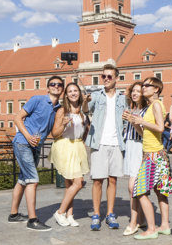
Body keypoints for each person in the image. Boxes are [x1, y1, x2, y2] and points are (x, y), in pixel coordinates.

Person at [8, 75, 63, 231]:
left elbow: (54, 132)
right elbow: (17, 118)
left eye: (59, 85)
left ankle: (13, 214)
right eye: (53, 84)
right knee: (33, 180)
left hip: (36, 146)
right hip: (23, 143)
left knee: (23, 180)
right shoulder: (37, 99)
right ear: (48, 87)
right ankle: (33, 220)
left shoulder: (58, 109)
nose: (56, 86)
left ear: (62, 89)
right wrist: (28, 136)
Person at [129, 77, 172, 240]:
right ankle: (165, 225)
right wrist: (135, 124)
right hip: (155, 153)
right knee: (160, 191)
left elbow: (161, 128)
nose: (143, 88)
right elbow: (146, 134)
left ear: (156, 89)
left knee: (139, 191)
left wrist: (141, 121)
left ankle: (152, 228)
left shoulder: (155, 104)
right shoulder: (150, 107)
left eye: (147, 85)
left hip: (153, 156)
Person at [85, 64, 126, 231]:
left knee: (113, 180)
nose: (106, 79)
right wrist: (84, 102)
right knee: (97, 181)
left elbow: (129, 116)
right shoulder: (96, 95)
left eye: (109, 76)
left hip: (117, 143)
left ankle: (110, 213)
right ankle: (96, 214)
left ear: (116, 78)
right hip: (99, 142)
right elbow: (85, 109)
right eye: (104, 76)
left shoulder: (123, 99)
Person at [49, 82, 89, 227]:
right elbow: (54, 134)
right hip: (65, 146)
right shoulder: (62, 111)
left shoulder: (83, 110)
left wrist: (83, 141)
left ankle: (69, 215)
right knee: (78, 183)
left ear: (79, 93)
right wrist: (64, 124)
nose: (73, 93)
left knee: (70, 185)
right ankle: (60, 212)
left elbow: (86, 129)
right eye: (70, 91)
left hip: (77, 146)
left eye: (75, 91)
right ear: (66, 95)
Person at [121, 82, 147, 236]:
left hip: (139, 147)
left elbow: (144, 134)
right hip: (130, 147)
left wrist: (133, 121)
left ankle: (133, 222)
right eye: (133, 91)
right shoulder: (133, 109)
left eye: (138, 91)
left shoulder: (145, 110)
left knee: (133, 187)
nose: (135, 93)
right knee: (133, 186)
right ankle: (142, 218)